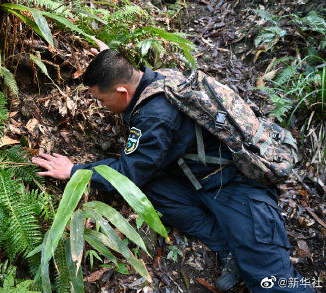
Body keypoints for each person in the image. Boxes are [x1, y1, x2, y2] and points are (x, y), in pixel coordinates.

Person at [31, 44, 313, 292]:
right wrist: (108, 59)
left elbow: (128, 172)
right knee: (150, 188)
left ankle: (247, 251)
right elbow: (139, 170)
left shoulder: (156, 117)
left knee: (271, 279)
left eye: (101, 100)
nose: (100, 106)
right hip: (200, 176)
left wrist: (76, 172)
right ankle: (228, 246)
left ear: (121, 91)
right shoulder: (157, 78)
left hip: (240, 185)